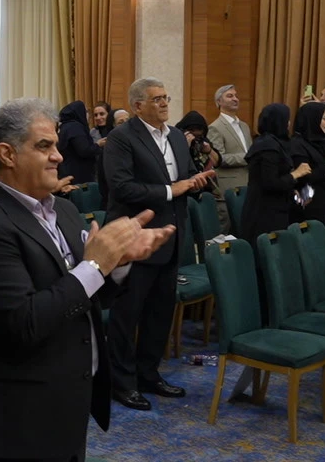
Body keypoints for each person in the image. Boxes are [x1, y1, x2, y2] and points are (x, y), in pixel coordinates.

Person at [0, 98, 173, 461]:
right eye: (44, 146)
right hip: (20, 421)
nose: (58, 156)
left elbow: (87, 298)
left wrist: (117, 263)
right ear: (8, 154)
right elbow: (23, 324)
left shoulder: (66, 211)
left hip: (69, 403)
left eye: (56, 144)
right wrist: (97, 265)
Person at [103, 77, 215, 411]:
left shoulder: (177, 136)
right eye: (157, 99)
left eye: (166, 97)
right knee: (127, 315)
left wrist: (195, 182)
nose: (165, 103)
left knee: (159, 313)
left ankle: (148, 374)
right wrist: (171, 190)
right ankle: (121, 382)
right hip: (135, 239)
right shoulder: (122, 138)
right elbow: (121, 187)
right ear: (138, 106)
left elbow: (186, 175)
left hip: (172, 236)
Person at [242, 104, 311, 240]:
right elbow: (270, 182)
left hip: (276, 208)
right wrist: (296, 174)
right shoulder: (267, 146)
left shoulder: (276, 142)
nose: (289, 123)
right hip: (264, 213)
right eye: (287, 119)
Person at [289, 101, 325, 226]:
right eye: (324, 118)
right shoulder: (297, 145)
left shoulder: (324, 143)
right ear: (312, 120)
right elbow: (306, 177)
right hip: (311, 207)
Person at [207, 84, 253, 193]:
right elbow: (219, 158)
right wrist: (247, 157)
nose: (235, 99)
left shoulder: (244, 126)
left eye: (236, 96)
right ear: (219, 101)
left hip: (250, 181)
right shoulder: (215, 127)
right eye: (230, 96)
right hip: (231, 184)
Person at [177, 111, 221, 196]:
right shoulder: (176, 141)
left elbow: (217, 162)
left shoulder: (203, 141)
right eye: (192, 130)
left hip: (206, 189)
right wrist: (185, 146)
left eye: (199, 130)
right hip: (186, 189)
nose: (196, 135)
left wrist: (209, 151)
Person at [57, 100, 99, 185]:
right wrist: (98, 145)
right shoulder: (75, 127)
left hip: (68, 171)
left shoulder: (64, 126)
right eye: (86, 111)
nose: (88, 115)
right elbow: (84, 150)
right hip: (79, 175)